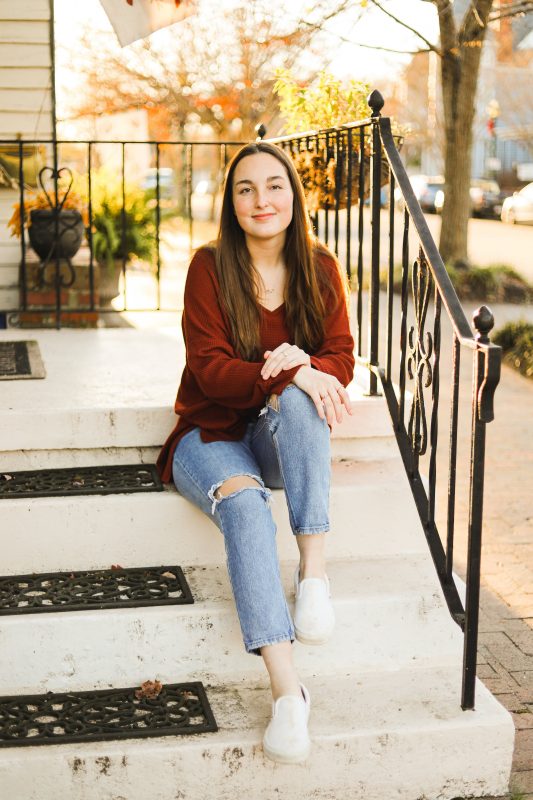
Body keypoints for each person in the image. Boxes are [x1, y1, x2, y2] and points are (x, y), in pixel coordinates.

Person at [157, 141, 355, 764]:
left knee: (300, 401)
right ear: (231, 201)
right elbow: (211, 372)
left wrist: (299, 372)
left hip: (273, 437)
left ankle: (313, 574)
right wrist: (293, 368)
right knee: (244, 507)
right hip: (208, 436)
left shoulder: (320, 268)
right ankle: (287, 692)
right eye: (245, 188)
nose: (261, 200)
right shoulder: (209, 267)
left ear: (294, 196)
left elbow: (342, 359)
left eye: (274, 186)